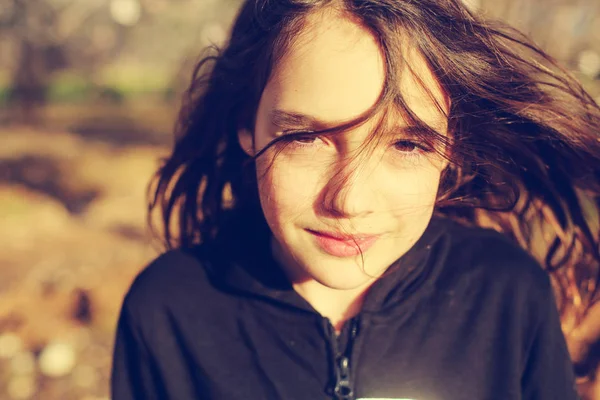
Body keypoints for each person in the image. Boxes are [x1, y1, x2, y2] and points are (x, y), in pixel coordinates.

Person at [111, 0, 600, 399]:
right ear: (247, 123)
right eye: (305, 137)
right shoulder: (169, 309)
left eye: (407, 144)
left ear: (452, 145)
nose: (350, 200)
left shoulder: (508, 294)